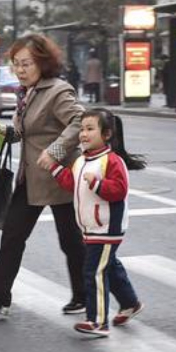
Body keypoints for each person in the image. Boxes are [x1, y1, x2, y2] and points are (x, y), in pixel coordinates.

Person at [0, 34, 87, 317]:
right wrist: (5, 132)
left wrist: (56, 150)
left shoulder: (57, 91)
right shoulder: (28, 92)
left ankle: (85, 295)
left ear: (43, 63)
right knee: (12, 235)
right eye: (16, 64)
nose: (20, 70)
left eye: (26, 64)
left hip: (59, 178)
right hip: (30, 179)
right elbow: (26, 132)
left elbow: (81, 119)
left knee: (70, 240)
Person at [50, 109, 147, 337]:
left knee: (93, 272)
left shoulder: (112, 161)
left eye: (90, 129)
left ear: (107, 134)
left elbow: (119, 191)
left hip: (106, 228)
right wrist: (54, 169)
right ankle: (130, 303)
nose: (83, 134)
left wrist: (97, 185)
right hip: (91, 227)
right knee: (109, 266)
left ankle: (97, 321)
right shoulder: (81, 160)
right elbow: (71, 184)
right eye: (82, 129)